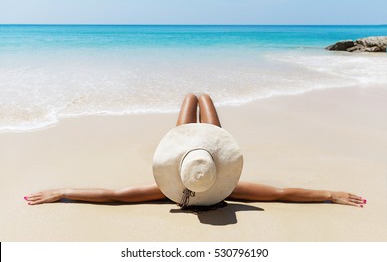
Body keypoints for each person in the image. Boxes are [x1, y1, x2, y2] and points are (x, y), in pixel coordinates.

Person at [24, 94, 366, 208]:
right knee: (202, 104)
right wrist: (330, 195)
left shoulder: (167, 192)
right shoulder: (227, 192)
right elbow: (281, 194)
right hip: (199, 161)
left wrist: (64, 191)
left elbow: (114, 196)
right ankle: (199, 97)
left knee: (194, 102)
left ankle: (195, 97)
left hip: (195, 160)